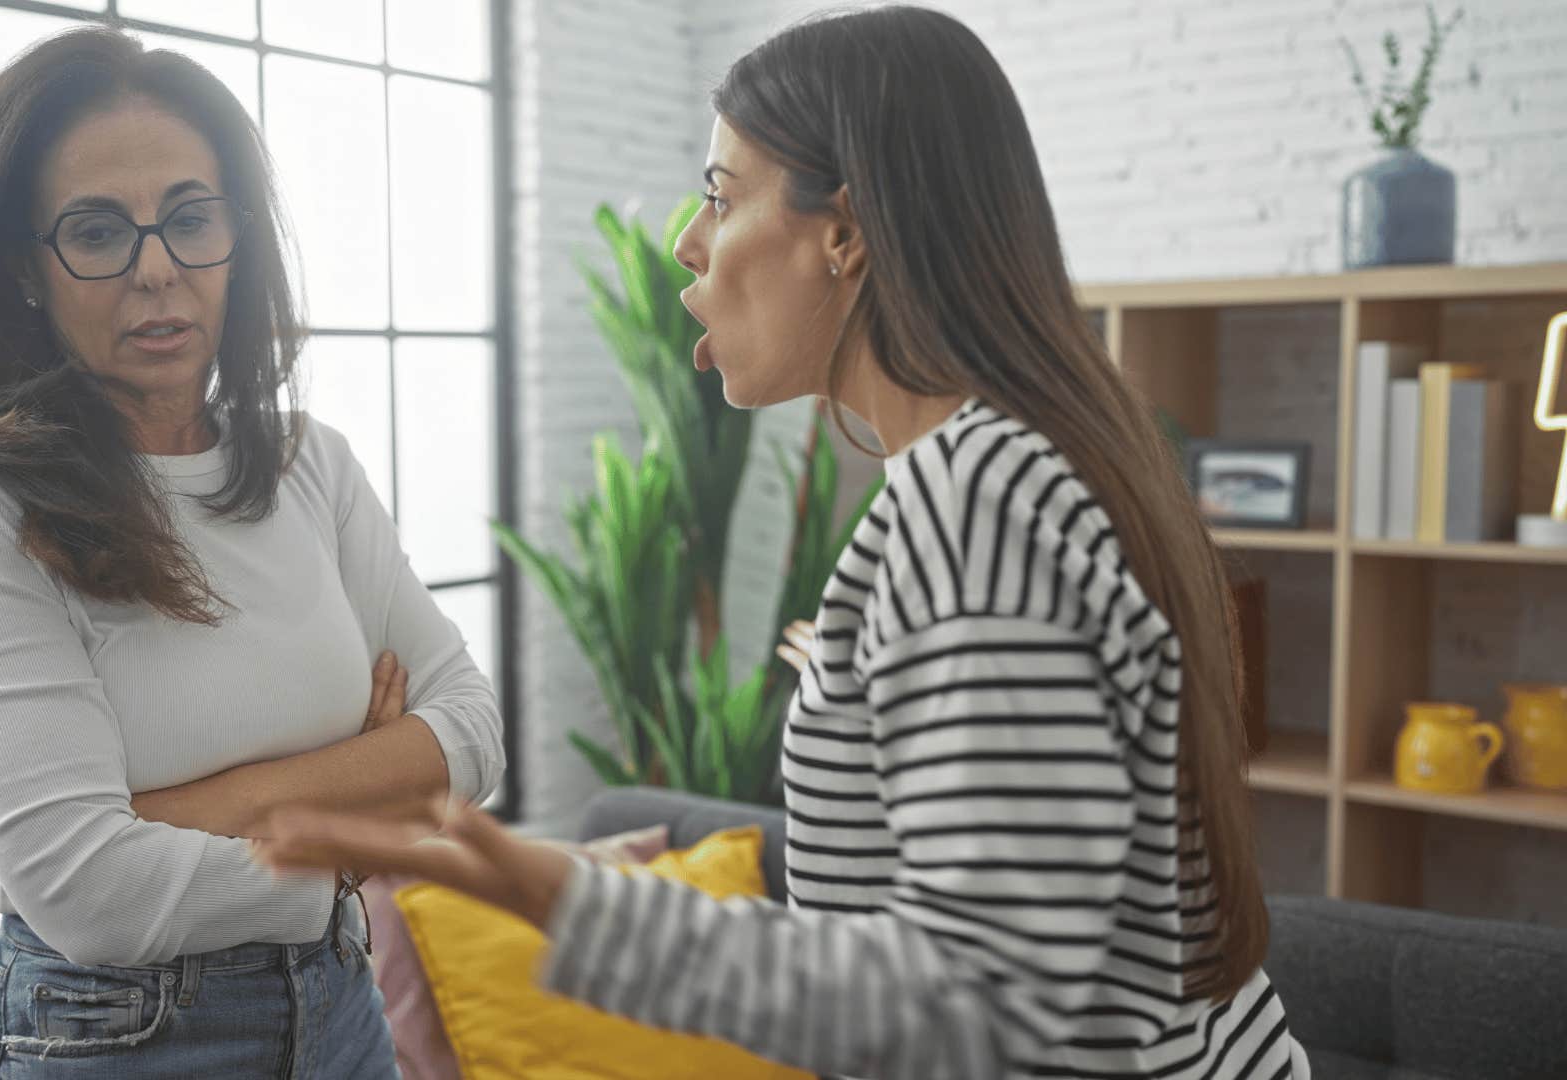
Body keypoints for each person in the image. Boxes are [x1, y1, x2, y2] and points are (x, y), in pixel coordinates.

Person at [249, 7, 1309, 1079]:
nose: (686, 241)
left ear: (843, 230)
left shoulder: (978, 499)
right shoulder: (1006, 465)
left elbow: (984, 1007)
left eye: (722, 194)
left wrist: (550, 894)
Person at [0, 26, 501, 1078]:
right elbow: (90, 894)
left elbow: (472, 731)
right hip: (116, 1035)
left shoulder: (308, 463)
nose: (158, 269)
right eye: (98, 233)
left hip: (341, 1007)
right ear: (23, 267)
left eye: (190, 219)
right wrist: (365, 797)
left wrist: (177, 817)